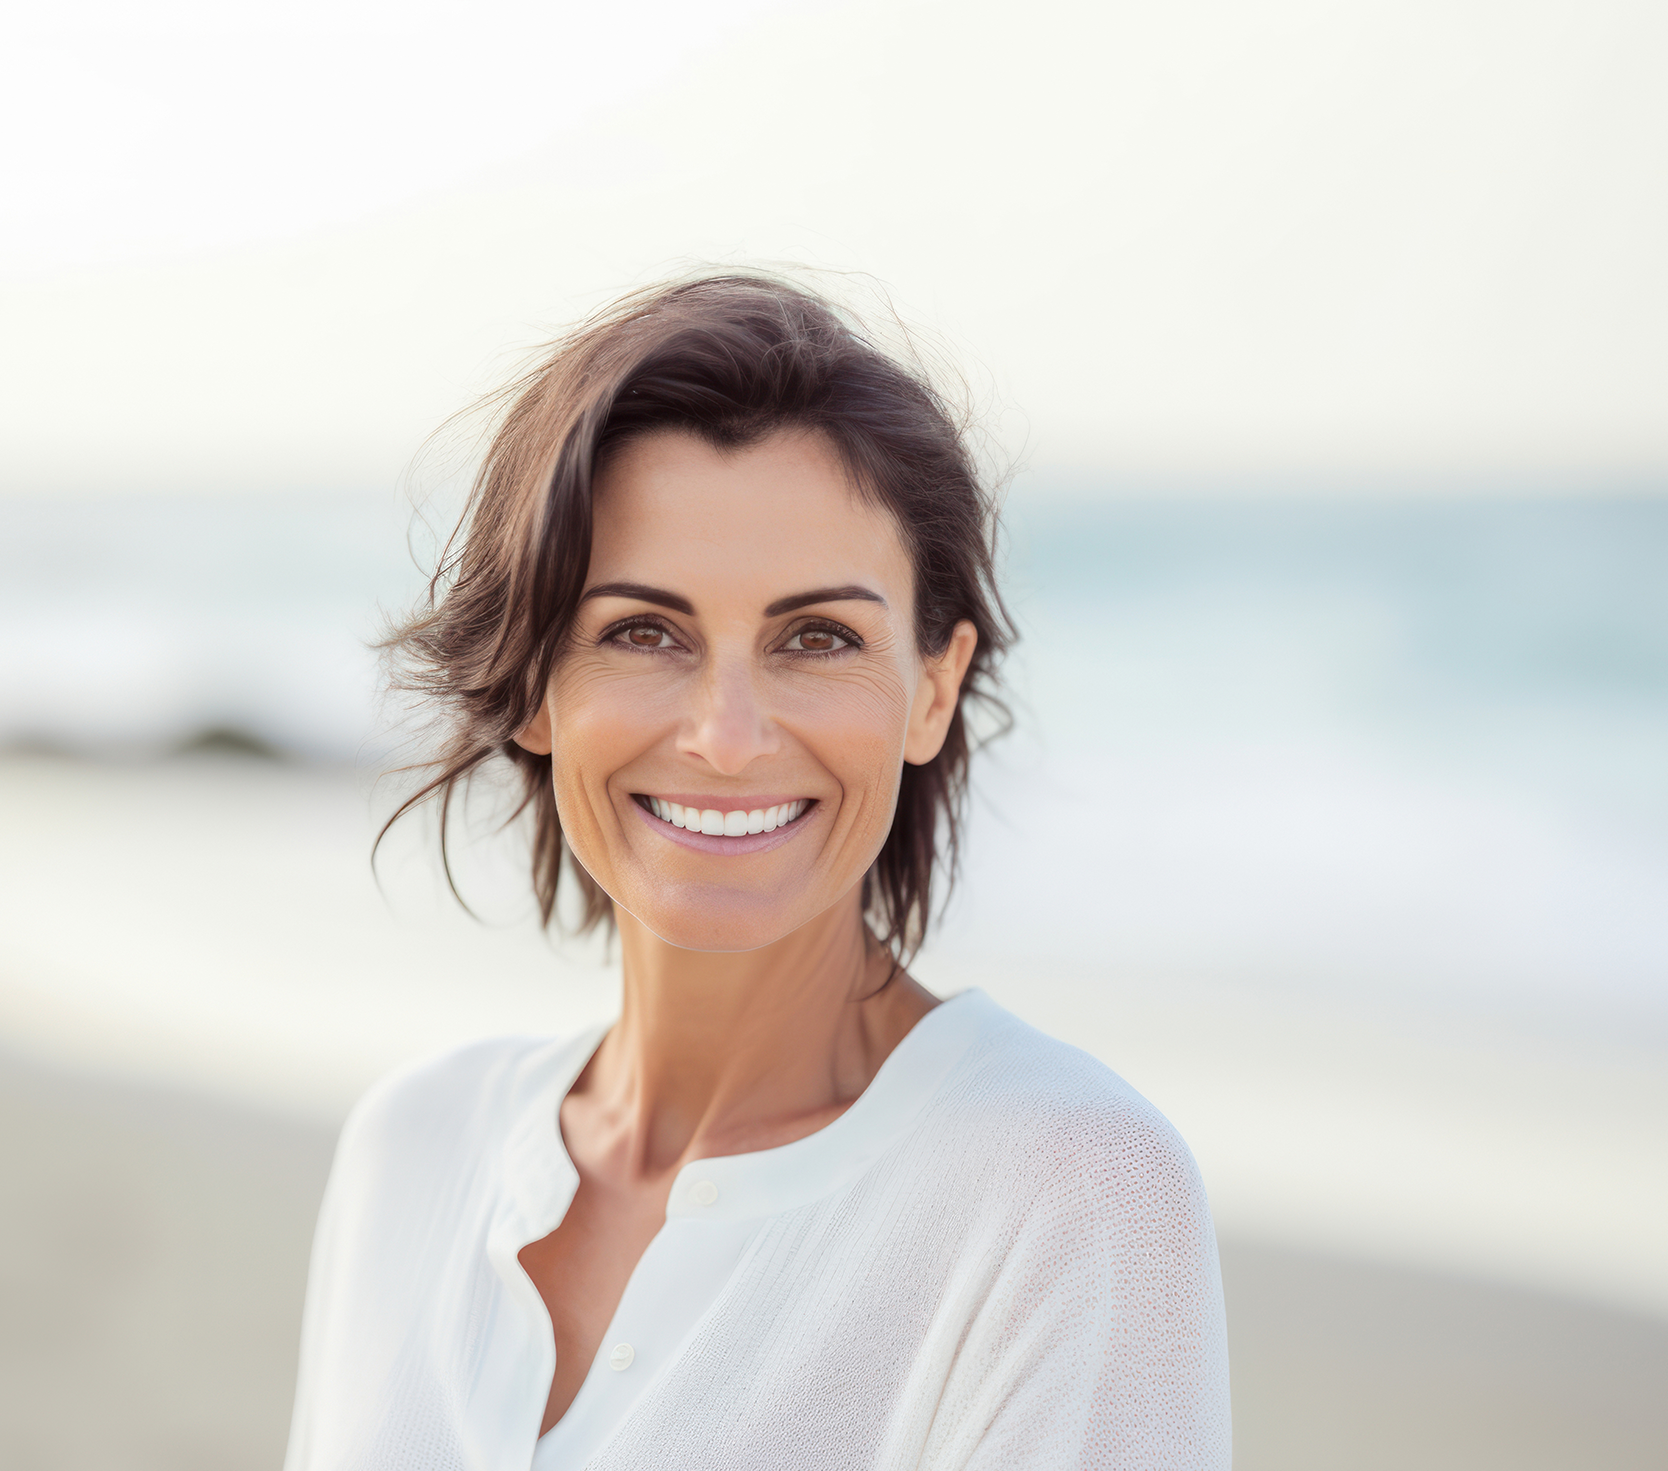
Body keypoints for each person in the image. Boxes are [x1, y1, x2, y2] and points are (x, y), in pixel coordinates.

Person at [286, 274, 1229, 1470]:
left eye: (816, 639)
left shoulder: (1065, 1190)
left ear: (930, 688)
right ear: (531, 681)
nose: (725, 737)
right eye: (642, 632)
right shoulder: (412, 1147)